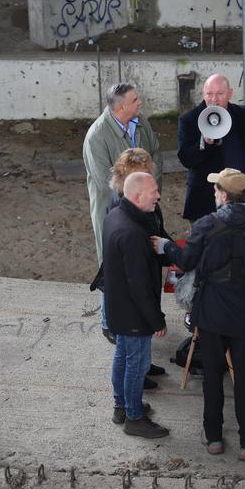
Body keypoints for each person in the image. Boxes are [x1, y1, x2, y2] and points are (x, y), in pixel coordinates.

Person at [159, 168, 245, 461]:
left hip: (210, 312)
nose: (214, 193)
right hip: (244, 312)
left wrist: (167, 246)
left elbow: (186, 260)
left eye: (216, 189)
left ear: (223, 195)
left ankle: (214, 437)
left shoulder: (207, 224)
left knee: (211, 376)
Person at [83, 83, 163, 343]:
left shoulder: (141, 123)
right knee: (111, 266)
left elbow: (156, 154)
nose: (140, 103)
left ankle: (138, 317)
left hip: (140, 206)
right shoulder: (96, 136)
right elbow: (106, 180)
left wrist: (149, 188)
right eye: (135, 100)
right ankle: (109, 323)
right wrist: (137, 195)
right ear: (120, 107)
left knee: (139, 263)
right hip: (112, 212)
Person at [89, 148, 170, 387]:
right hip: (131, 289)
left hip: (141, 270)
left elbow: (157, 229)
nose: (150, 178)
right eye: (145, 173)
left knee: (135, 347)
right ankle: (137, 380)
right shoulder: (122, 208)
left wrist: (170, 249)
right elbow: (136, 278)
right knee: (131, 349)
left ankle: (143, 364)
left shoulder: (143, 202)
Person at [102, 172, 170, 439]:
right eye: (153, 191)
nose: (158, 196)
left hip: (119, 307)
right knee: (136, 365)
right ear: (137, 195)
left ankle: (122, 405)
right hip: (133, 313)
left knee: (122, 356)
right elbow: (139, 286)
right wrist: (156, 320)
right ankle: (134, 417)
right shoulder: (131, 233)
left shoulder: (116, 215)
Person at [177, 74, 245, 223]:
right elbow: (185, 159)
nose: (214, 100)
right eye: (209, 94)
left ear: (230, 93)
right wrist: (204, 144)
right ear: (203, 94)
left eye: (220, 94)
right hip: (206, 203)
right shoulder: (189, 120)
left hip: (243, 197)